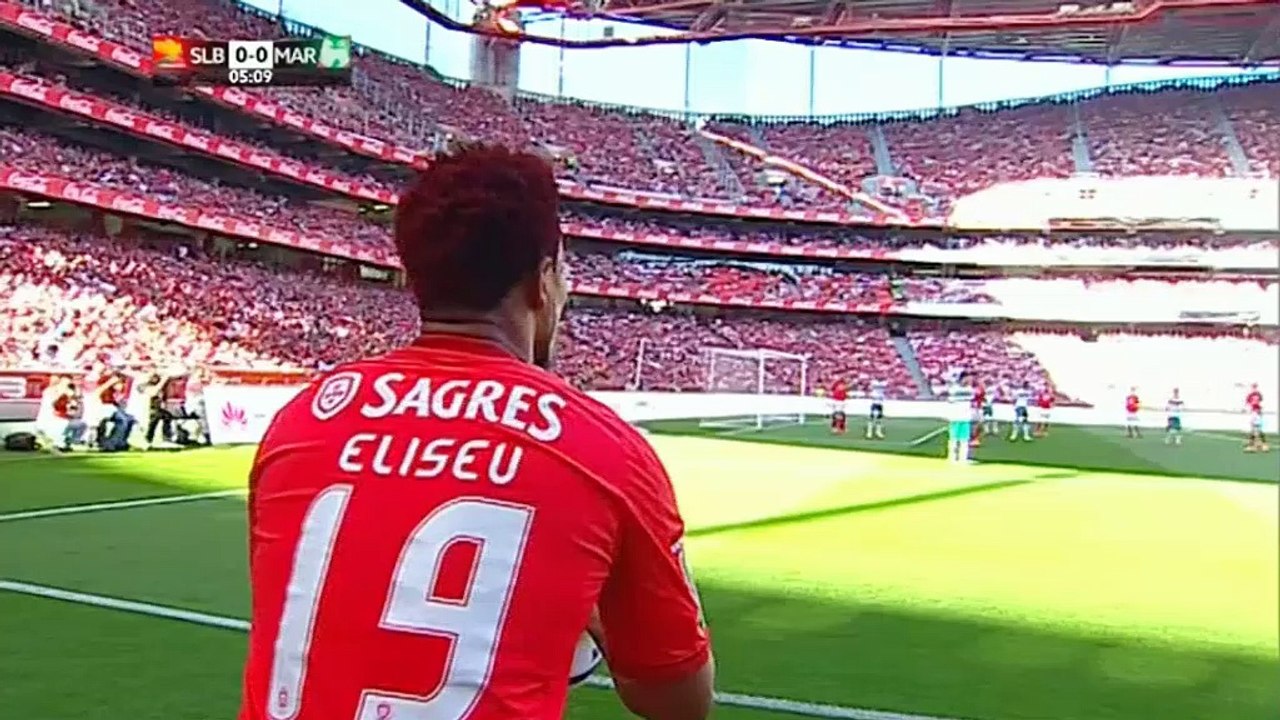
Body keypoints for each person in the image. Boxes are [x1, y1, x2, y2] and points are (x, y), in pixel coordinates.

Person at [238, 146, 714, 720]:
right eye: (564, 274)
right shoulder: (605, 451)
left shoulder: (303, 419)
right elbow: (679, 700)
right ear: (543, 283)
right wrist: (603, 618)